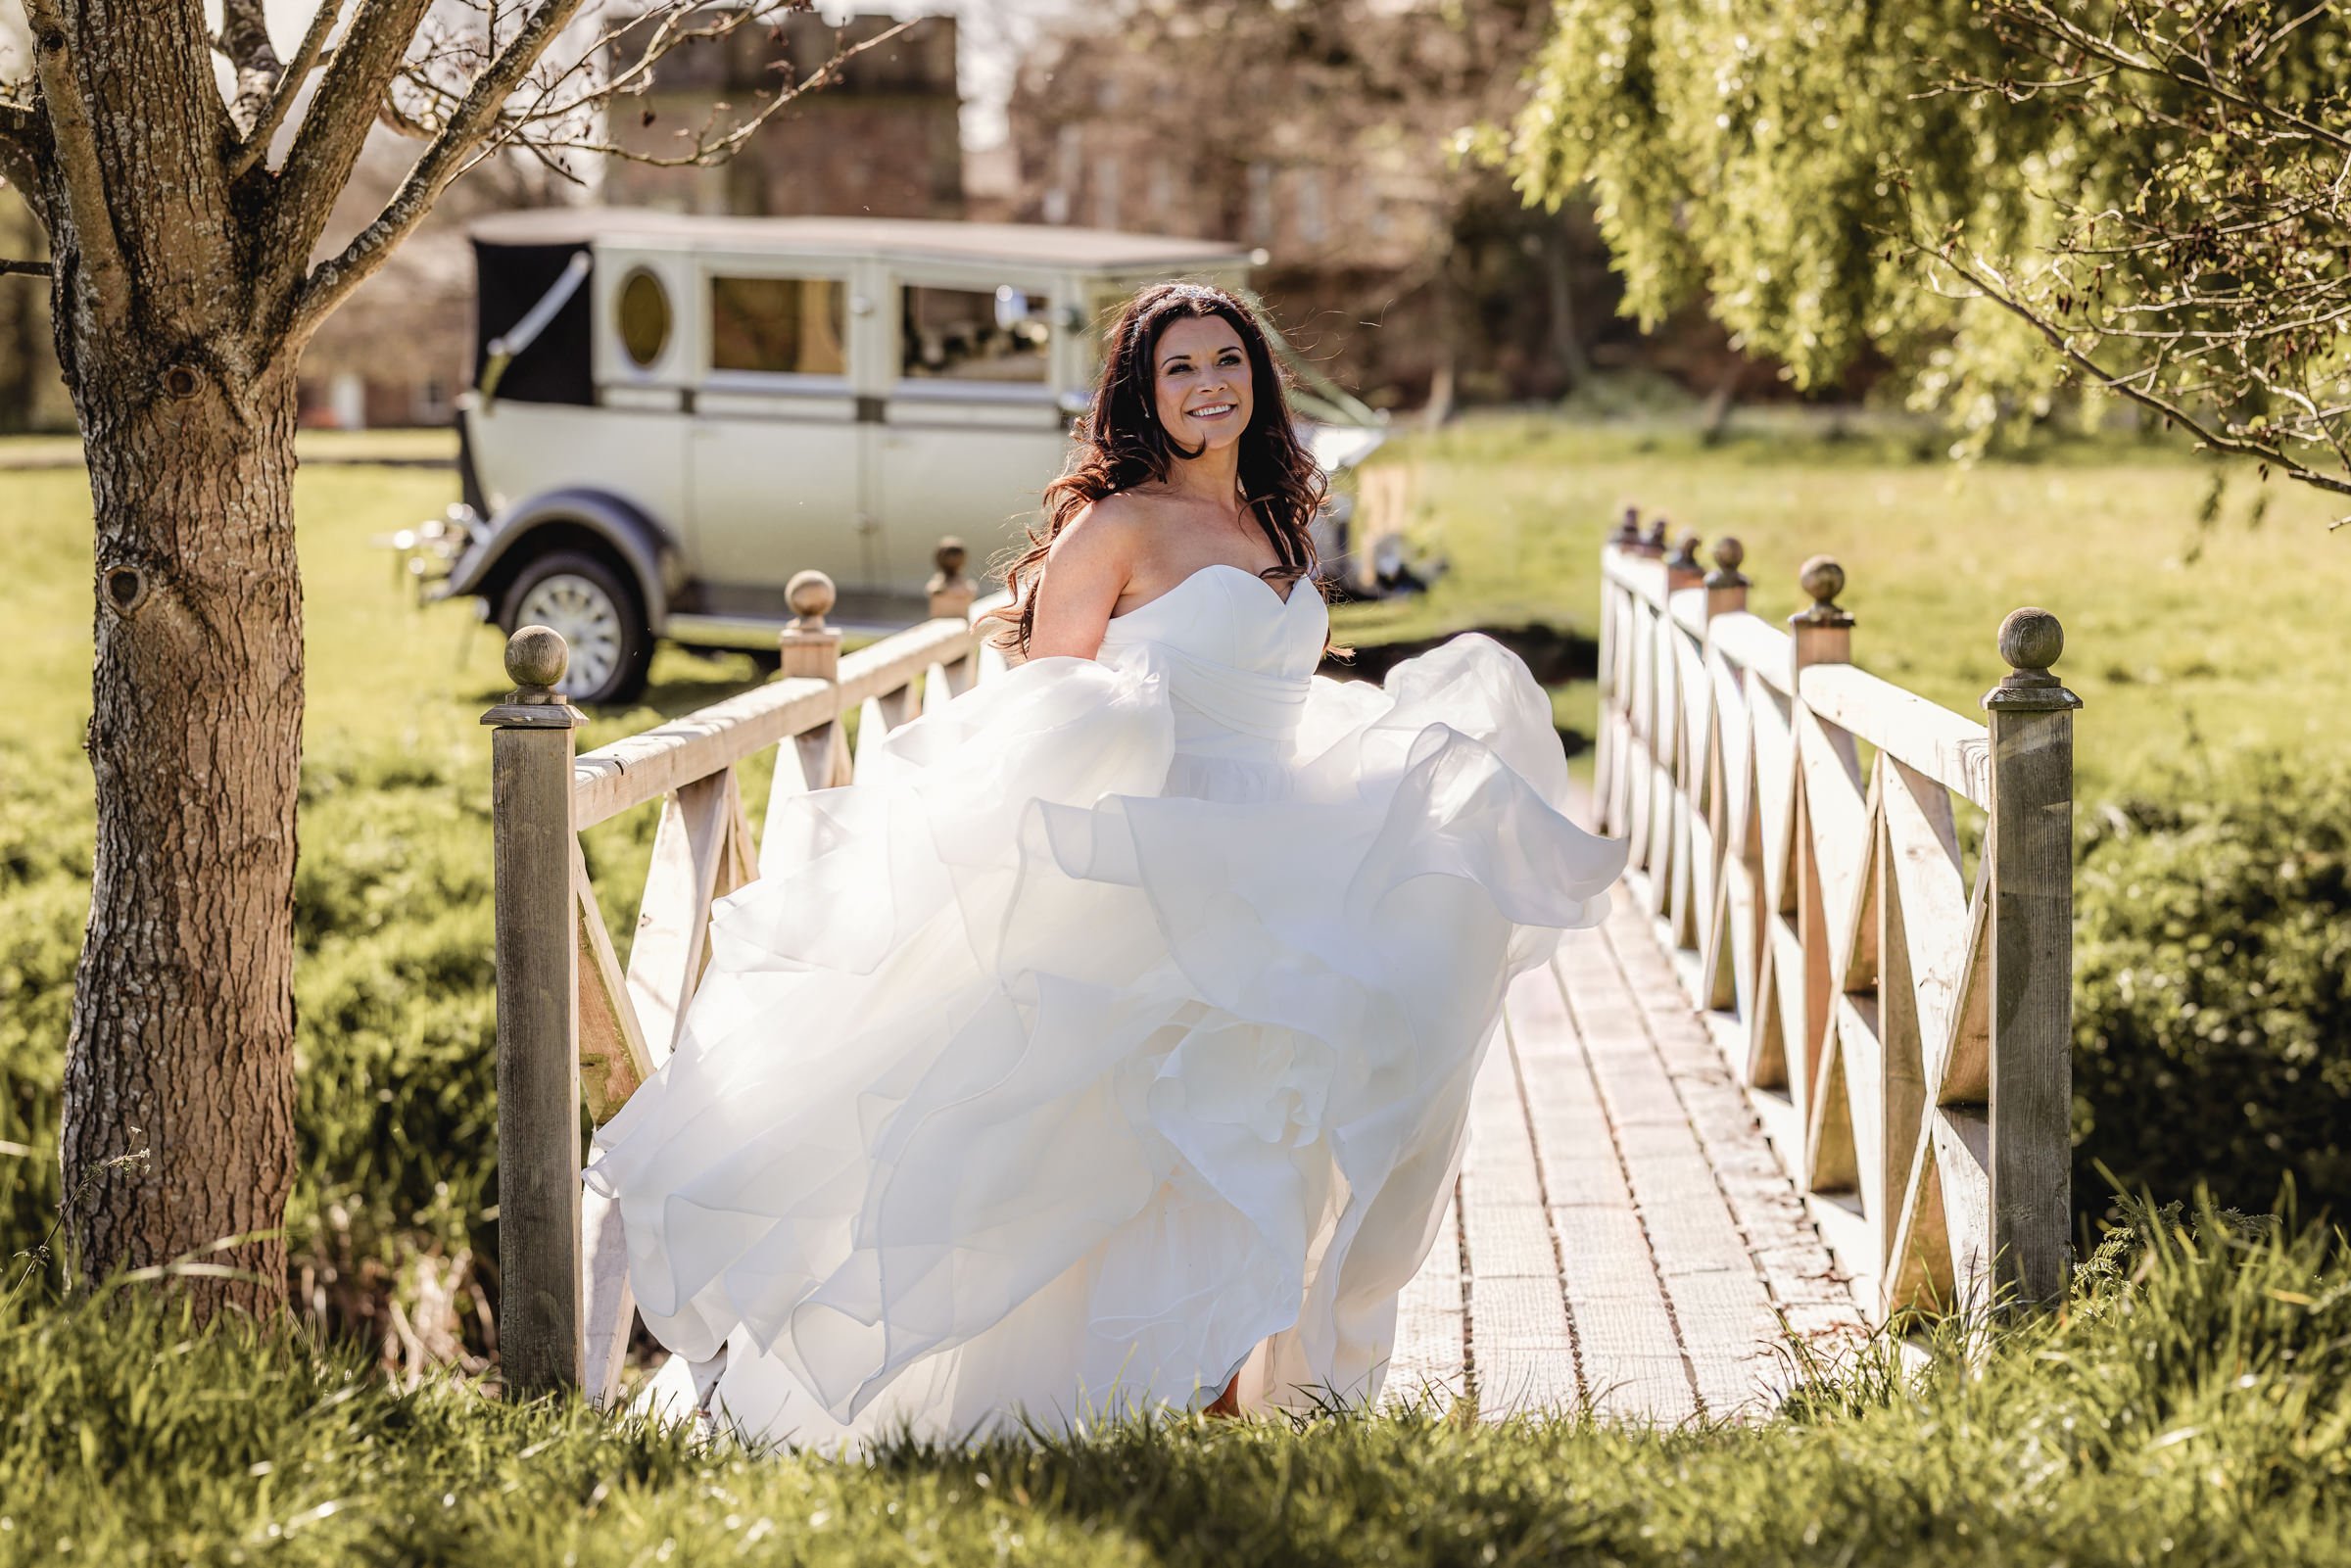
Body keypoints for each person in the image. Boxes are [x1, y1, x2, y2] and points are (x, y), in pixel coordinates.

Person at [584, 281, 1628, 1450]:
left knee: (1276, 1124)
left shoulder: (1280, 525)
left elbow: (1272, 690)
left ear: (1257, 377)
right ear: (1144, 392)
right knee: (1146, 1140)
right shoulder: (1118, 526)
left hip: (1280, 854)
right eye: (1178, 369)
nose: (1207, 386)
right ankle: (1132, 1400)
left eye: (1225, 360)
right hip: (1151, 862)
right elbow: (1041, 706)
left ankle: (1232, 1395)